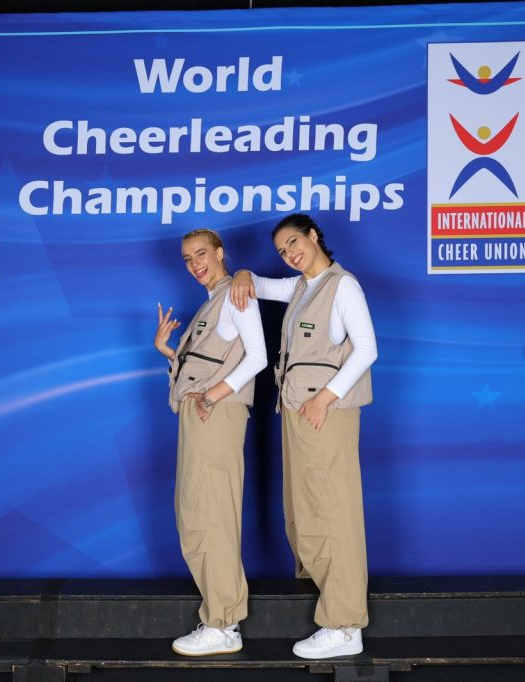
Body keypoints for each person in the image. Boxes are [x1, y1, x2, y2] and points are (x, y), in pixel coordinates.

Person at [230, 213, 376, 659]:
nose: (289, 254)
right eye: (282, 250)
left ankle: (345, 625)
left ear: (313, 236)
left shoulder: (342, 286)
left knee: (332, 512)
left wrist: (325, 398)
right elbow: (257, 284)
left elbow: (367, 348)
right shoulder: (301, 287)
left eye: (294, 242)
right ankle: (331, 604)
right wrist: (241, 272)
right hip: (297, 411)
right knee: (306, 509)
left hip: (324, 414)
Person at [154, 228, 267, 656]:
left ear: (220, 253)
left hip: (214, 415)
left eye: (201, 254)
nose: (194, 264)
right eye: (187, 259)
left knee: (211, 513)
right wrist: (168, 351)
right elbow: (207, 364)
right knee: (195, 512)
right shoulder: (213, 301)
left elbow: (258, 356)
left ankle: (224, 623)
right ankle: (220, 617)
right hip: (200, 414)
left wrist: (213, 396)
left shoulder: (236, 295)